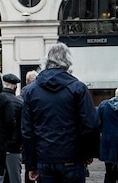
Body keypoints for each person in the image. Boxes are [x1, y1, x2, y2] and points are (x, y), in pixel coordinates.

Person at [22, 43, 98, 183]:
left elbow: (27, 131)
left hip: (44, 157)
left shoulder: (31, 91)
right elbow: (90, 124)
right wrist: (88, 152)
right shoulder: (78, 88)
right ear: (67, 62)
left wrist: (31, 165)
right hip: (71, 157)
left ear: (46, 61)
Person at [0, 74, 24, 183]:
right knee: (15, 178)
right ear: (15, 87)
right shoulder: (20, 103)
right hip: (14, 147)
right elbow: (22, 127)